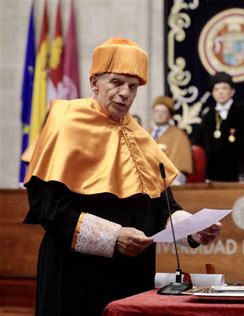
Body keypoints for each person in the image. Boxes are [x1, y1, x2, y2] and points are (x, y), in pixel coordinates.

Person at [23, 38, 221, 316]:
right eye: (116, 82)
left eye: (133, 86)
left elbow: (163, 207)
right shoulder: (64, 123)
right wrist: (113, 236)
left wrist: (191, 228)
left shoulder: (141, 136)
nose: (124, 93)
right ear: (95, 83)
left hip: (132, 277)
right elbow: (49, 209)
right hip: (76, 275)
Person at [196, 71, 244, 181]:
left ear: (232, 92)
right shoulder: (207, 116)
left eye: (224, 88)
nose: (220, 92)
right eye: (216, 89)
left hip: (239, 170)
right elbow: (200, 143)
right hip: (213, 172)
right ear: (212, 93)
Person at [149, 95, 193, 184]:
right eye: (157, 111)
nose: (159, 114)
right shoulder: (145, 133)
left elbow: (181, 170)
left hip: (168, 182)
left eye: (163, 112)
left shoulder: (179, 135)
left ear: (170, 115)